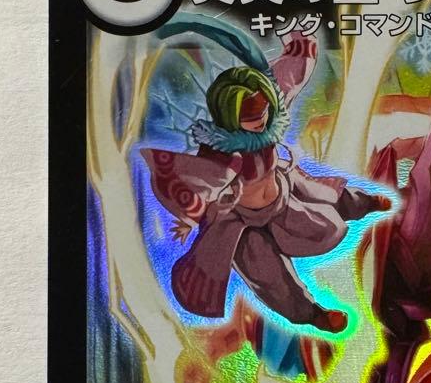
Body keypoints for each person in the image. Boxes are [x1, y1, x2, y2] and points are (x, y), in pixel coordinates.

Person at [143, 29, 390, 333]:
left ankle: (365, 203)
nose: (260, 119)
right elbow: (196, 183)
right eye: (250, 116)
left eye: (262, 110)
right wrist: (190, 218)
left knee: (324, 203)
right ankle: (313, 314)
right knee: (269, 275)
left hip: (281, 195)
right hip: (241, 222)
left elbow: (285, 81)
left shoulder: (269, 121)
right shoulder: (219, 151)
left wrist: (297, 45)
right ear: (229, 115)